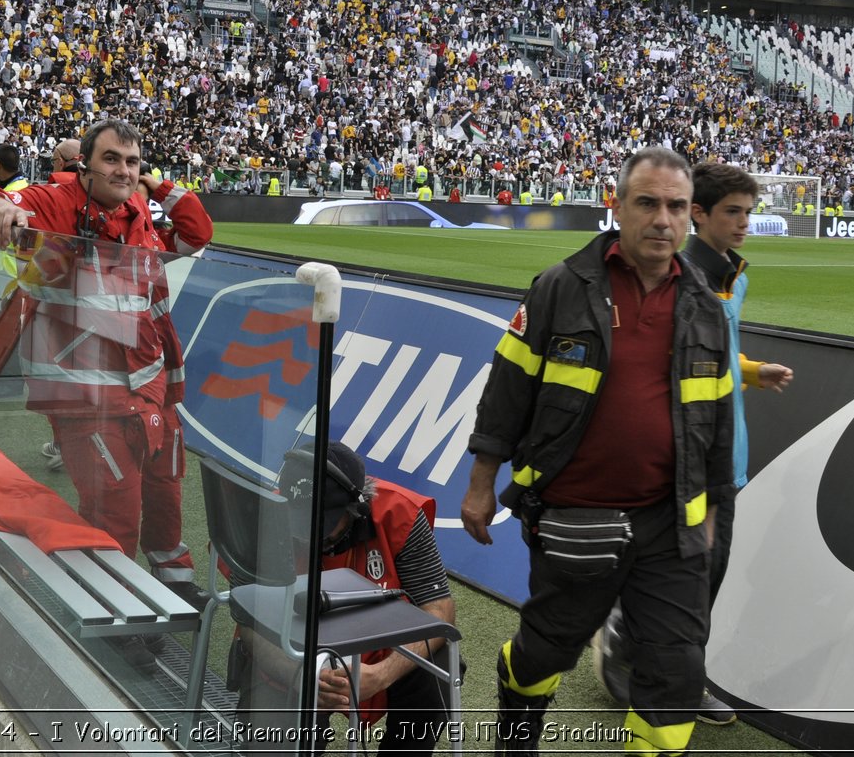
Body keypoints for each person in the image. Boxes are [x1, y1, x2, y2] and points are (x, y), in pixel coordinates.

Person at [460, 146, 735, 755]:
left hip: (670, 523)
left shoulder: (706, 308)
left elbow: (716, 419)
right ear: (616, 207)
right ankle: (516, 712)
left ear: (690, 216)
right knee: (546, 651)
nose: (663, 220)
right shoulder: (561, 287)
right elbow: (507, 392)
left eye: (677, 207)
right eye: (648, 203)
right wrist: (482, 482)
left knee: (676, 670)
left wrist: (713, 508)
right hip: (575, 513)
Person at [0, 120, 213, 639]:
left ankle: (174, 588)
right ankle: (113, 619)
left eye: (131, 161)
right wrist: (2, 208)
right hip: (85, 393)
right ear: (84, 165)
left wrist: (153, 184)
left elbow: (196, 234)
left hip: (150, 384)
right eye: (111, 159)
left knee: (165, 495)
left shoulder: (136, 206)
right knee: (115, 508)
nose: (123, 170)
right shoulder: (56, 201)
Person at [238, 442, 455, 756]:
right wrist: (301, 676)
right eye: (299, 520)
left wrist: (381, 675)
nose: (308, 535)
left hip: (375, 651)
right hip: (290, 651)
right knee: (274, 744)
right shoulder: (267, 517)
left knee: (441, 666)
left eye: (323, 523)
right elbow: (248, 623)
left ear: (357, 509)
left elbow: (439, 611)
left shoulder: (400, 513)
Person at [675, 162, 793, 725]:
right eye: (733, 212)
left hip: (729, 456)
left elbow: (719, 351)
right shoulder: (672, 277)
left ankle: (653, 660)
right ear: (698, 213)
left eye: (749, 211)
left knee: (709, 575)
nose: (746, 222)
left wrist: (750, 371)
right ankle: (676, 683)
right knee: (689, 577)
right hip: (682, 457)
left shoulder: (736, 276)